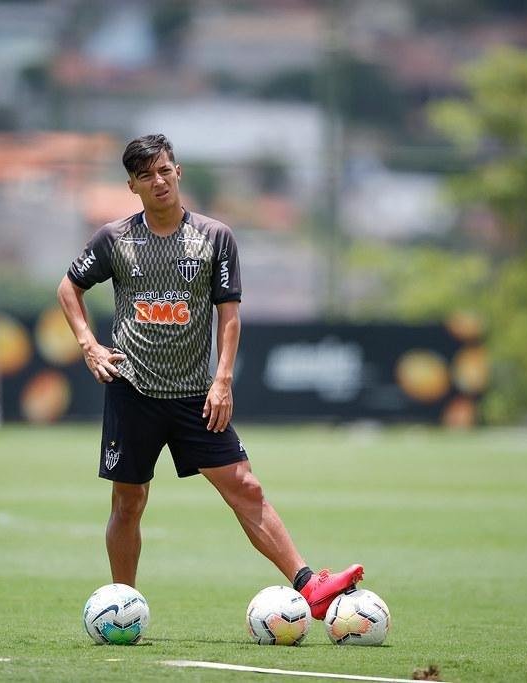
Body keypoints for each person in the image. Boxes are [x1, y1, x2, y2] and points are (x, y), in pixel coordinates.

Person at [56, 133, 363, 619]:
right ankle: (122, 606)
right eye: (145, 175)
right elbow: (68, 288)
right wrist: (89, 345)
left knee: (245, 486)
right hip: (132, 390)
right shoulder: (114, 239)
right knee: (129, 501)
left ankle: (310, 586)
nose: (158, 181)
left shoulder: (214, 237)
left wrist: (222, 381)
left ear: (177, 173)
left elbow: (230, 316)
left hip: (195, 396)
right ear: (132, 185)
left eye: (164, 170)